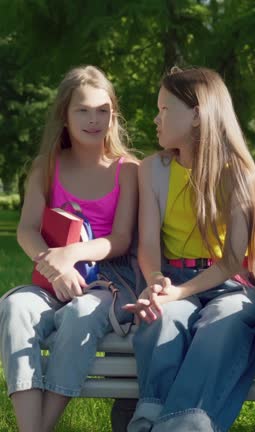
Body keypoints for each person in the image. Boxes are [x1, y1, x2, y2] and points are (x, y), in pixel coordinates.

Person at [124, 67, 255, 432]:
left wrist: (180, 292)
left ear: (198, 115)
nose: (156, 119)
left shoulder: (237, 173)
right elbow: (148, 245)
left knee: (223, 322)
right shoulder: (152, 169)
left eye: (165, 109)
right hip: (171, 276)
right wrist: (156, 280)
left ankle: (182, 424)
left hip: (229, 283)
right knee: (162, 318)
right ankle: (150, 417)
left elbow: (234, 259)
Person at [0, 65, 139, 432]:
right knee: (15, 307)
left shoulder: (128, 171)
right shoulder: (45, 167)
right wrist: (56, 268)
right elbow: (27, 229)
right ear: (64, 114)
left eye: (102, 110)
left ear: (113, 114)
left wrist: (73, 255)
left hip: (105, 283)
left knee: (82, 314)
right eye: (83, 110)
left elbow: (121, 238)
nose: (94, 119)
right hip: (50, 278)